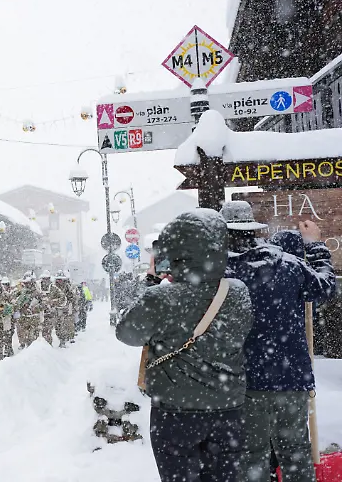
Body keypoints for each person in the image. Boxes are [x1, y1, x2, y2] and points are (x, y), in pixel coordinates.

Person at [115, 210, 254, 482]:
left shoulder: (161, 298)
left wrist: (151, 281)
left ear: (176, 251)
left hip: (175, 412)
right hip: (228, 409)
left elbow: (126, 333)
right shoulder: (237, 292)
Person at [221, 201, 336, 482]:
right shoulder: (288, 264)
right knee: (295, 452)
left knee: (251, 456)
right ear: (252, 229)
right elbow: (325, 287)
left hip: (242, 380)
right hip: (290, 377)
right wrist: (315, 246)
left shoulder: (217, 273)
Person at [14, 271, 42, 349]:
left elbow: (43, 304)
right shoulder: (21, 291)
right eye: (25, 283)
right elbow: (15, 302)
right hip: (23, 317)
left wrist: (34, 308)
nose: (27, 284)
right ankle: (24, 346)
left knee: (33, 338)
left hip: (33, 318)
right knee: (23, 335)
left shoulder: (37, 292)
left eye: (28, 283)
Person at [40, 270, 66, 346]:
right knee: (42, 332)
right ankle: (44, 346)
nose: (45, 280)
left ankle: (58, 342)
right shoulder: (38, 287)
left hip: (52, 313)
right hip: (40, 313)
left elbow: (63, 298)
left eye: (47, 278)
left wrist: (52, 302)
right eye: (44, 278)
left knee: (55, 328)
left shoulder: (54, 288)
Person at [54, 271, 77, 346]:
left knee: (67, 323)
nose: (60, 281)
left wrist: (70, 304)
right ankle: (61, 338)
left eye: (61, 279)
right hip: (57, 308)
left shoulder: (67, 286)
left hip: (66, 308)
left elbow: (72, 297)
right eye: (58, 279)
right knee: (58, 325)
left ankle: (64, 339)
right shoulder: (54, 287)